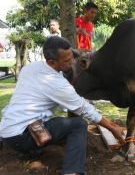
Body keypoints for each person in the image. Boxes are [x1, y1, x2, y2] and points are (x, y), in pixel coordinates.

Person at [0, 36, 125, 175]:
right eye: (67, 60)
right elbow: (83, 108)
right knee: (79, 125)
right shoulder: (56, 83)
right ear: (52, 62)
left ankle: (30, 150)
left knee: (55, 123)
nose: (72, 62)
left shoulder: (30, 68)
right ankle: (72, 171)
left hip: (7, 132)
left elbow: (45, 99)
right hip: (22, 136)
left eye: (72, 57)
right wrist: (113, 127)